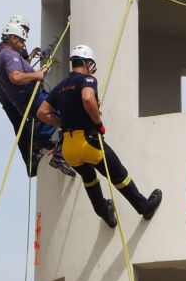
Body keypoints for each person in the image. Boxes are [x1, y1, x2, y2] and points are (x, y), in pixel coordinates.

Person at [35, 44, 162, 227]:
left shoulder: (60, 87)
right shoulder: (87, 79)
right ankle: (144, 206)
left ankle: (105, 213)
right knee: (119, 175)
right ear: (87, 63)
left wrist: (62, 123)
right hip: (89, 142)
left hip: (69, 149)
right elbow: (87, 98)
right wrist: (98, 123)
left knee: (89, 179)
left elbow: (42, 112)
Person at [0, 16, 74, 177]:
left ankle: (41, 142)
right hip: (24, 96)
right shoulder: (9, 54)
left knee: (47, 116)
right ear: (14, 37)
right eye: (23, 38)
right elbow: (15, 75)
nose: (25, 41)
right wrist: (37, 74)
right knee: (61, 115)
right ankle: (40, 151)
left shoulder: (6, 52)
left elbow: (17, 69)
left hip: (22, 95)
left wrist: (30, 62)